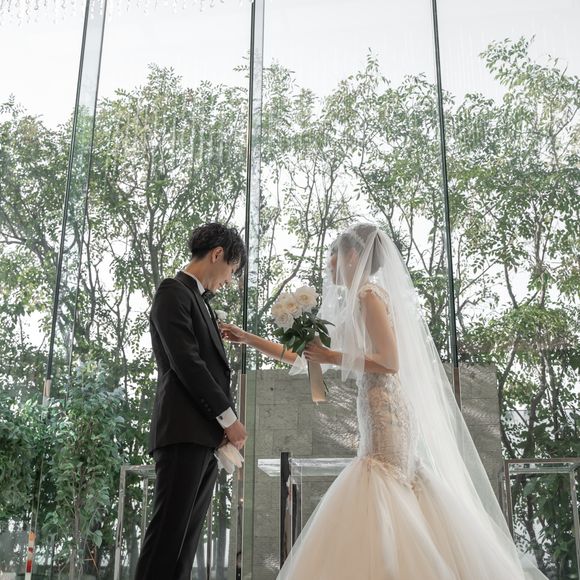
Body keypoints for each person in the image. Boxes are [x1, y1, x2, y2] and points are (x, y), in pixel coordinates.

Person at [221, 223, 547, 579]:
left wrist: (331, 357)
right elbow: (305, 358)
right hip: (377, 406)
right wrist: (247, 338)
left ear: (352, 255)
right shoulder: (357, 301)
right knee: (391, 486)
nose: (328, 263)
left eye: (333, 254)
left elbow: (390, 361)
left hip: (386, 409)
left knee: (384, 481)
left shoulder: (369, 296)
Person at [135, 222, 248, 580]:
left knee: (183, 549)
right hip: (183, 432)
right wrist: (229, 418)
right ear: (217, 254)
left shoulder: (198, 300)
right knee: (166, 542)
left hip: (203, 437)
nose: (229, 280)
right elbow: (187, 363)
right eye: (231, 270)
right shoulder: (173, 291)